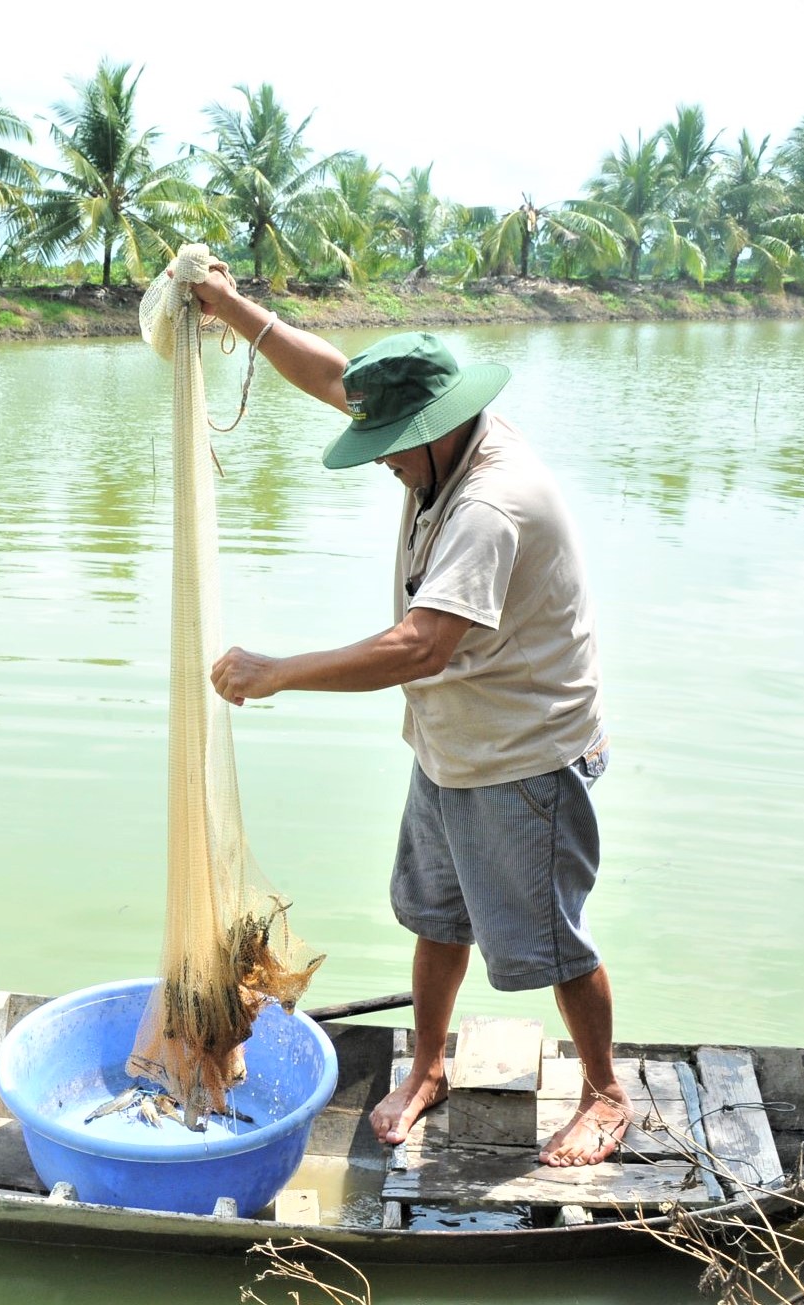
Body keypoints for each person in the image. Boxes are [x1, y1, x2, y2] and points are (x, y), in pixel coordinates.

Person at [187, 266, 628, 1167]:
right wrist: (233, 308)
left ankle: (606, 1092)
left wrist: (277, 672)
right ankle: (428, 1066)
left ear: (435, 429)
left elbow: (421, 646)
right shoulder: (440, 445)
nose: (382, 459)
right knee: (437, 918)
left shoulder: (490, 505)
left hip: (525, 755)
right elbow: (329, 377)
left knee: (554, 942)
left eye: (391, 445)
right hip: (451, 743)